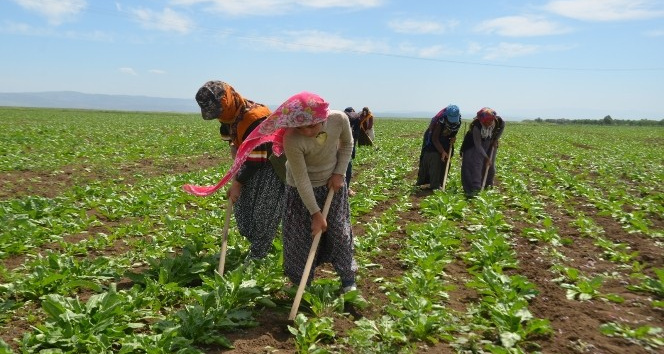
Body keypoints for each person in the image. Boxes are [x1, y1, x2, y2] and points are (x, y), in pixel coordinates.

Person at [184, 91, 357, 293]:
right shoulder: (292, 139)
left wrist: (339, 173)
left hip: (331, 184)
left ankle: (348, 279)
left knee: (340, 231)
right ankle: (300, 284)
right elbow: (301, 179)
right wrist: (315, 213)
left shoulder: (339, 119)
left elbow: (347, 144)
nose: (307, 132)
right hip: (299, 189)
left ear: (322, 117)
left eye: (311, 126)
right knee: (299, 239)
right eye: (300, 127)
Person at [194, 80, 286, 259]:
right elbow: (232, 142)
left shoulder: (255, 116)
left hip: (269, 165)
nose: (218, 116)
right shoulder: (228, 116)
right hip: (248, 163)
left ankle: (259, 255)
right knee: (243, 211)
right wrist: (236, 167)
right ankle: (262, 242)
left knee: (263, 212)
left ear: (226, 100)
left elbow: (259, 156)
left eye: (218, 111)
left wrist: (237, 182)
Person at [459, 107, 505, 198]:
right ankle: (475, 188)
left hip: (489, 141)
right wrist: (486, 157)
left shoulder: (498, 121)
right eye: (485, 122)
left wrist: (495, 139)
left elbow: (502, 127)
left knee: (490, 165)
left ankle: (488, 185)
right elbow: (478, 145)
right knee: (476, 164)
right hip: (473, 144)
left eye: (489, 122)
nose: (487, 124)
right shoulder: (477, 126)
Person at [416, 104, 461, 190]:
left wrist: (453, 138)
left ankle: (441, 182)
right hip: (433, 140)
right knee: (434, 157)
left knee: (446, 159)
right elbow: (434, 138)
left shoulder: (458, 120)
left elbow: (453, 133)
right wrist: (442, 151)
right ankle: (432, 183)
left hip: (445, 140)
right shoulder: (440, 121)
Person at [343, 107, 361, 196]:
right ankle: (346, 188)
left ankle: (346, 188)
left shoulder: (355, 120)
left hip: (348, 144)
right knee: (347, 168)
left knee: (347, 168)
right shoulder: (351, 119)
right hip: (342, 146)